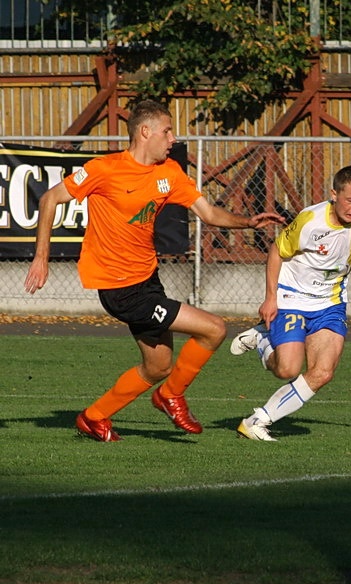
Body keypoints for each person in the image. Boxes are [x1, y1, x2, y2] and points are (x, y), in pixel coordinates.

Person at [23, 100, 285, 442]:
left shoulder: (169, 173)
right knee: (214, 329)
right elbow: (49, 199)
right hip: (120, 289)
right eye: (167, 130)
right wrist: (41, 258)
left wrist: (247, 221)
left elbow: (207, 213)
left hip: (148, 279)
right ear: (145, 132)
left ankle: (94, 417)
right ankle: (170, 396)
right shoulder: (104, 169)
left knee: (158, 365)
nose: (172, 138)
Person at [229, 165, 351, 441]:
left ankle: (257, 421)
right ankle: (262, 339)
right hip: (292, 297)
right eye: (350, 200)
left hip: (330, 303)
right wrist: (270, 298)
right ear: (334, 194)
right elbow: (276, 252)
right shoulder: (310, 221)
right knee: (287, 369)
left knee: (323, 372)